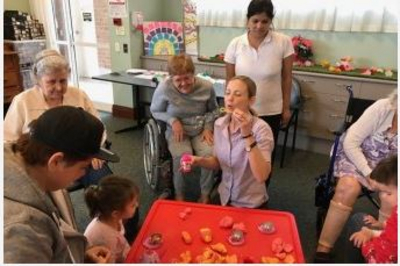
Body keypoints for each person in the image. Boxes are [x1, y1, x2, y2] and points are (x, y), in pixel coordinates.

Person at [4, 106, 118, 263]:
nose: (84, 173)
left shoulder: (33, 171)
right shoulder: (21, 233)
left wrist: (80, 254)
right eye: (83, 167)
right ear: (56, 161)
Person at [3, 49, 117, 187]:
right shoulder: (23, 101)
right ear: (38, 80)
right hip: (40, 165)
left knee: (109, 188)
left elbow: (98, 127)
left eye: (63, 81)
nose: (58, 87)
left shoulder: (78, 95)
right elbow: (7, 141)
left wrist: (94, 151)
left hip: (78, 158)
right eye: (51, 82)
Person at [315, 90, 398, 262]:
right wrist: (369, 173)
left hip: (390, 168)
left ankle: (384, 247)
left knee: (391, 197)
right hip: (356, 156)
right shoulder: (382, 108)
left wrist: (388, 184)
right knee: (347, 187)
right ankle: (323, 248)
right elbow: (351, 142)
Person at [188, 76, 274, 209]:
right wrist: (198, 160)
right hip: (225, 197)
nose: (230, 98)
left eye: (237, 94)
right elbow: (218, 162)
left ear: (251, 101)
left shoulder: (261, 129)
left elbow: (262, 175)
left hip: (250, 204)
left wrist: (247, 134)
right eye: (227, 93)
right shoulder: (219, 124)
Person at [224, 0, 294, 148]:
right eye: (255, 21)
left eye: (265, 21)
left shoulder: (284, 42)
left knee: (265, 156)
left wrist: (286, 108)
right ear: (247, 20)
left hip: (271, 110)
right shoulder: (235, 44)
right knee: (239, 153)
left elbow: (287, 78)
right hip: (241, 110)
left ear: (271, 21)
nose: (259, 26)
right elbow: (230, 81)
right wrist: (229, 107)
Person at [150, 54, 218, 203]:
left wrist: (208, 127)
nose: (183, 83)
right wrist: (173, 120)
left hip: (200, 128)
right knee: (182, 156)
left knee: (208, 154)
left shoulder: (206, 87)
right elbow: (155, 111)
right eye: (178, 80)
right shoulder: (164, 88)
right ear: (171, 78)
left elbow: (213, 110)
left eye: (187, 78)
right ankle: (179, 196)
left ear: (193, 74)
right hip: (177, 131)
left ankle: (205, 194)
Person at [344, 155, 397, 263]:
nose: (382, 197)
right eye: (381, 192)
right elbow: (392, 231)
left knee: (357, 220)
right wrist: (379, 226)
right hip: (382, 248)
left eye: (388, 193)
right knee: (359, 218)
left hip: (380, 257)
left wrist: (372, 233)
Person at [84, 175, 140, 263]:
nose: (137, 205)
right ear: (115, 213)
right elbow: (109, 262)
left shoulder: (113, 218)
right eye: (132, 205)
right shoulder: (106, 238)